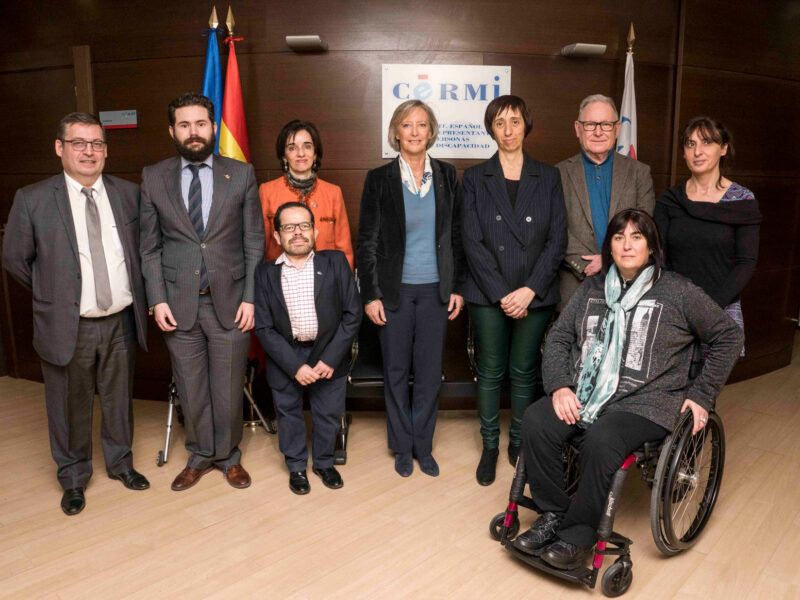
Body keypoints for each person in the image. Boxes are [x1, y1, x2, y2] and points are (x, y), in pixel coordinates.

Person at [512, 209, 743, 571]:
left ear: (652, 246)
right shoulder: (591, 288)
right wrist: (559, 386)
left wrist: (701, 395)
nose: (627, 245)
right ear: (610, 247)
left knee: (602, 439)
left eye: (636, 237)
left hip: (646, 402)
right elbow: (559, 337)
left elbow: (729, 335)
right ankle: (554, 515)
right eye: (619, 238)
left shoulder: (678, 291)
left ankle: (578, 534)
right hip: (588, 396)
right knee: (537, 420)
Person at [3, 112, 149, 515]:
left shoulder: (128, 194)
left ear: (106, 150)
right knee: (69, 404)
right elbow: (16, 260)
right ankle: (73, 477)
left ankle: (121, 464)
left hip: (120, 319)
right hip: (69, 323)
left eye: (97, 143)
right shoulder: (33, 199)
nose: (89, 151)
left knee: (119, 399)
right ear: (59, 148)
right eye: (79, 143)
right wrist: (57, 296)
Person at [139, 93, 265, 491]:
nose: (193, 132)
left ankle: (228, 456)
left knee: (228, 387)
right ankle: (199, 454)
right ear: (172, 131)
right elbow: (150, 247)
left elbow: (254, 242)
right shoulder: (153, 176)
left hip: (231, 302)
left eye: (201, 124)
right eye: (184, 125)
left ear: (213, 127)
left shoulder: (241, 174)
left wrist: (250, 297)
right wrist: (157, 298)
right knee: (192, 387)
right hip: (178, 304)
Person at [461, 95, 567, 486]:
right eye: (500, 123)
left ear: (527, 126)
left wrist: (528, 291)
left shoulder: (548, 176)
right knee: (490, 372)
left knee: (524, 373)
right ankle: (491, 445)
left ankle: (519, 443)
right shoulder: (473, 178)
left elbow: (557, 239)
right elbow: (471, 241)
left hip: (535, 293)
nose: (508, 130)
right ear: (491, 128)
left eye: (515, 122)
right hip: (488, 293)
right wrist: (504, 294)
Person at [357, 99, 466, 478]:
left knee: (429, 369)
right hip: (394, 293)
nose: (415, 131)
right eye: (408, 125)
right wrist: (370, 294)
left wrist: (457, 287)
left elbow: (456, 236)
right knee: (397, 370)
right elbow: (367, 241)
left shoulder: (449, 176)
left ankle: (423, 444)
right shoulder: (379, 179)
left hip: (436, 291)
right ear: (396, 132)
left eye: (422, 124)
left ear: (431, 131)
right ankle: (402, 446)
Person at [254, 202, 361, 494]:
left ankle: (324, 463)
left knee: (328, 413)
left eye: (303, 226)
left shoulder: (336, 262)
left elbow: (352, 314)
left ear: (314, 230)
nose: (297, 233)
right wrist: (295, 366)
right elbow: (263, 327)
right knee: (288, 413)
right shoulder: (264, 274)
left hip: (328, 352)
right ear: (277, 236)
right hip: (286, 356)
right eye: (289, 227)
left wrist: (330, 358)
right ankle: (297, 467)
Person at [655, 116, 760, 354]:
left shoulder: (742, 200)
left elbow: (746, 262)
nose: (697, 152)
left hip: (720, 308)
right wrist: (677, 303)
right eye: (690, 144)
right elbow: (659, 257)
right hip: (674, 309)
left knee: (706, 388)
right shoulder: (670, 200)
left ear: (723, 148)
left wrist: (707, 307)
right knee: (668, 386)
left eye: (707, 143)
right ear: (683, 152)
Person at [557, 94, 654, 307]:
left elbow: (645, 228)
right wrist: (582, 264)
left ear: (617, 129)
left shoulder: (639, 173)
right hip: (574, 285)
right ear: (577, 128)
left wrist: (608, 258)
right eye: (591, 124)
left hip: (629, 285)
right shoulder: (557, 174)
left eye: (606, 124)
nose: (599, 131)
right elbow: (554, 229)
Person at [259, 120, 354, 268]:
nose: (301, 153)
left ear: (315, 153)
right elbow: (259, 247)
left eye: (307, 146)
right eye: (292, 148)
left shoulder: (333, 193)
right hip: (279, 279)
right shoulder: (267, 191)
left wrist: (343, 284)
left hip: (326, 281)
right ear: (284, 156)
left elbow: (344, 249)